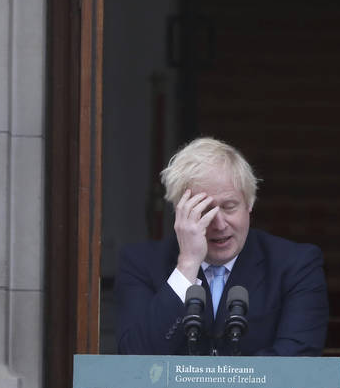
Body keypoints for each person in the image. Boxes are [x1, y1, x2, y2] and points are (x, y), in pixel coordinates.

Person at [115, 137, 328, 356]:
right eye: (204, 210)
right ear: (180, 212)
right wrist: (187, 264)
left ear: (249, 204)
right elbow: (135, 357)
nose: (219, 224)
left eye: (229, 207)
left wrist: (223, 379)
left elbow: (299, 356)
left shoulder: (295, 265)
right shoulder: (140, 264)